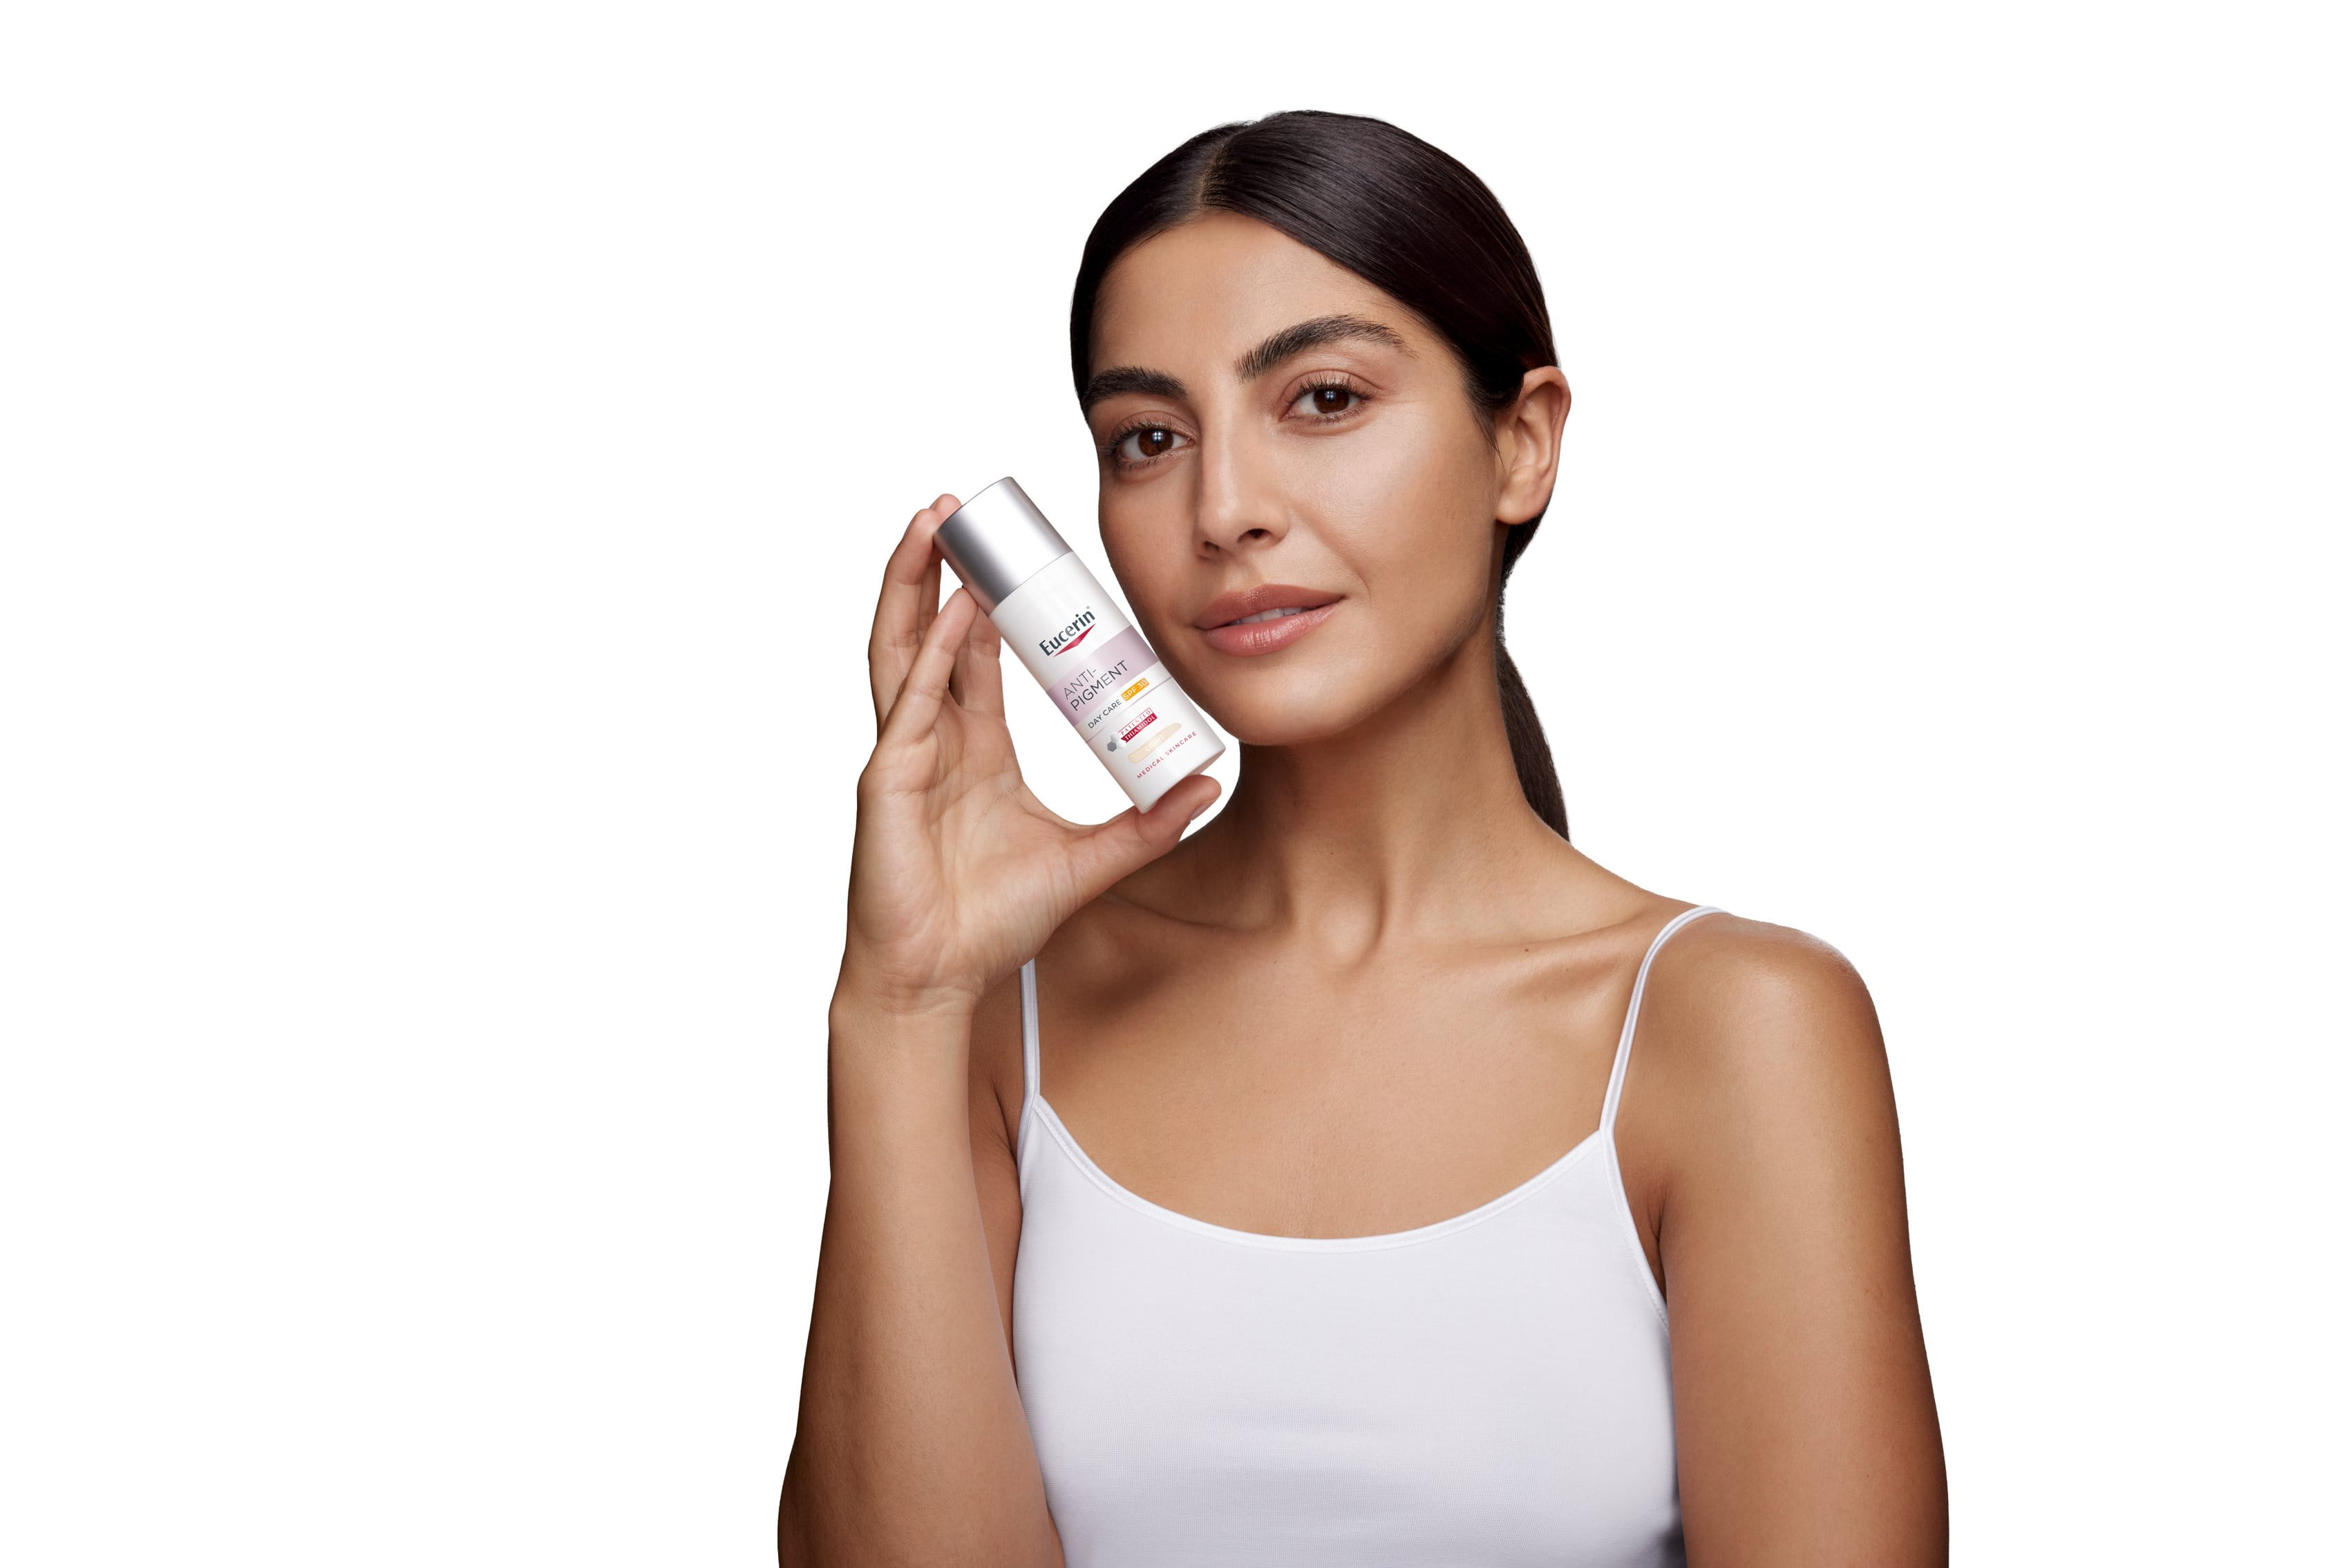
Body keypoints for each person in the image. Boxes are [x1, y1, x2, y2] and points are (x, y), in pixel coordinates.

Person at [780, 110, 1946, 1567]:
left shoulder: (1737, 1029)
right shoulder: (1001, 1014)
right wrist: (899, 1006)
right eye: (1149, 438)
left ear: (1521, 445)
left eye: (1323, 400)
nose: (1226, 510)